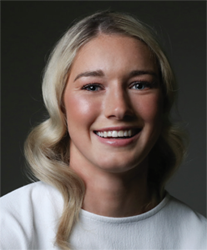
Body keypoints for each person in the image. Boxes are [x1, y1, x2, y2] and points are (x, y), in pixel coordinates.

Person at [0, 11, 206, 250]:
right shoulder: (10, 226)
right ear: (60, 104)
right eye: (92, 86)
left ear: (164, 102)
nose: (119, 109)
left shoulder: (199, 238)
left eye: (139, 85)